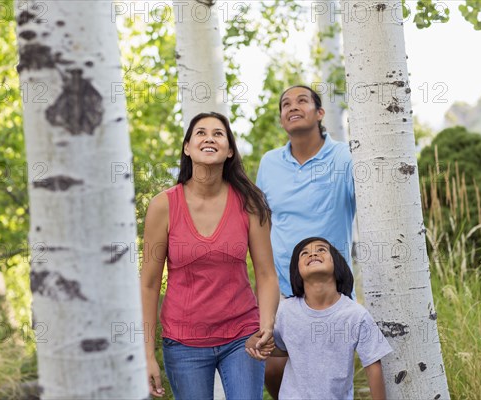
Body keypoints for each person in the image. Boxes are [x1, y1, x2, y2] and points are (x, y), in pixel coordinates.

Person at [140, 112, 280, 399]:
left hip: (242, 336)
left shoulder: (250, 204)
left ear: (229, 151)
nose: (209, 138)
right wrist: (146, 354)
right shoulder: (163, 206)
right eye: (201, 133)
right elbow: (149, 284)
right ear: (187, 147)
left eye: (218, 133)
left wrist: (265, 327)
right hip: (183, 343)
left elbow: (266, 275)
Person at [256, 85, 356, 397]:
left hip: (329, 290)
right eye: (285, 103)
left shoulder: (344, 157)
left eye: (302, 100)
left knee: (327, 380)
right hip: (283, 291)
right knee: (272, 369)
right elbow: (262, 222)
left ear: (320, 113)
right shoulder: (269, 163)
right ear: (282, 120)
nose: (292, 106)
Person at [246, 237, 392, 400]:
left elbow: (373, 366)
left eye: (321, 250)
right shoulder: (285, 310)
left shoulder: (356, 315)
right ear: (297, 271)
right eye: (304, 253)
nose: (313, 253)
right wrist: (256, 344)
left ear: (337, 264)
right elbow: (279, 347)